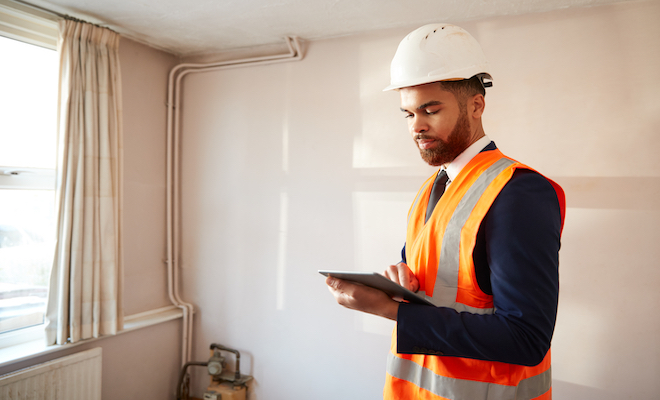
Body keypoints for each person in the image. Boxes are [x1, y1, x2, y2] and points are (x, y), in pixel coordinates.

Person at [325, 24, 566, 400]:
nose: (416, 127)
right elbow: (439, 284)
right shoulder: (432, 188)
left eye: (430, 110)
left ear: (476, 104)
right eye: (407, 114)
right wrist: (401, 281)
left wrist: (391, 312)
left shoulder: (519, 192)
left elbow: (526, 338)